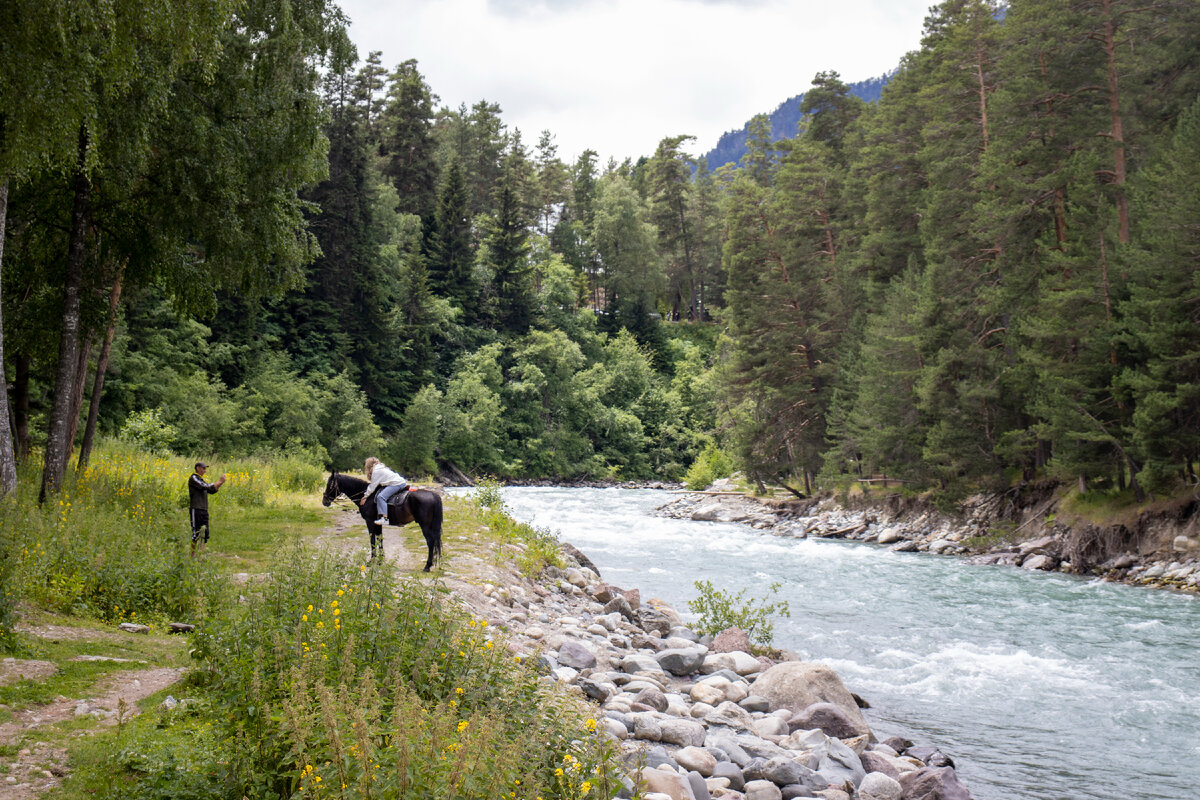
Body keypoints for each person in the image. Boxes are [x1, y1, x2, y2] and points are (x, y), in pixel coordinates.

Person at [188, 461, 226, 556]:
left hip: (204, 509)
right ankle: (192, 556)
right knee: (196, 533)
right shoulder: (193, 478)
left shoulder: (200, 479)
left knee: (204, 533)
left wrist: (220, 484)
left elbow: (211, 490)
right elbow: (205, 487)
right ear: (198, 468)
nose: (205, 470)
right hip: (196, 509)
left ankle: (201, 555)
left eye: (205, 468)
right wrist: (219, 482)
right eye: (203, 468)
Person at [362, 456, 408, 525]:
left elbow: (372, 486)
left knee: (381, 497)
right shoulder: (381, 467)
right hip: (399, 482)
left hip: (396, 484)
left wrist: (365, 496)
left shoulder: (376, 471)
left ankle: (385, 519)